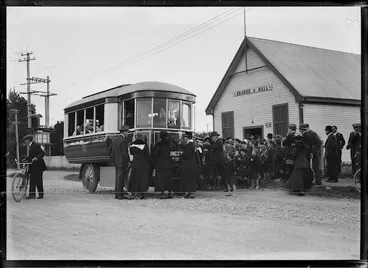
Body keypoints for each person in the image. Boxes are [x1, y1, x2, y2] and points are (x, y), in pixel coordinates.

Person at [108, 125, 130, 200]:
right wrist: (128, 160)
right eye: (127, 132)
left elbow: (110, 150)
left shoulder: (114, 139)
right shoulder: (123, 141)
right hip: (122, 162)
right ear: (124, 132)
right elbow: (125, 153)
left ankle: (117, 194)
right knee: (121, 178)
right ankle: (120, 195)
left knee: (117, 178)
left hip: (115, 161)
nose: (127, 133)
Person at [128, 132, 152, 199]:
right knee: (143, 179)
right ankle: (142, 193)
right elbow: (147, 155)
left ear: (135, 137)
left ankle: (134, 193)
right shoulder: (144, 145)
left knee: (135, 179)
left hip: (135, 163)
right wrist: (151, 162)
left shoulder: (132, 145)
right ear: (142, 137)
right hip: (144, 164)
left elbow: (131, 153)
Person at [22, 134, 47, 199]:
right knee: (32, 180)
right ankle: (32, 195)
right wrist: (26, 158)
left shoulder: (35, 145)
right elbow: (31, 155)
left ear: (28, 140)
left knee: (38, 180)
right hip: (33, 166)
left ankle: (41, 195)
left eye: (25, 140)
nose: (25, 142)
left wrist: (37, 158)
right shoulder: (31, 146)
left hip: (38, 166)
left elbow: (42, 153)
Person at [153, 130, 174, 199]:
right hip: (168, 163)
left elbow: (156, 155)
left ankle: (162, 193)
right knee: (169, 179)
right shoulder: (170, 144)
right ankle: (170, 192)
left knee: (161, 179)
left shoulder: (158, 144)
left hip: (160, 164)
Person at [179, 132, 198, 198]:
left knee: (188, 179)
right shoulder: (191, 144)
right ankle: (190, 193)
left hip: (188, 164)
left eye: (184, 137)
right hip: (192, 164)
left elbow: (186, 154)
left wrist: (180, 156)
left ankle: (189, 193)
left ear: (186, 137)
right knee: (191, 179)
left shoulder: (190, 144)